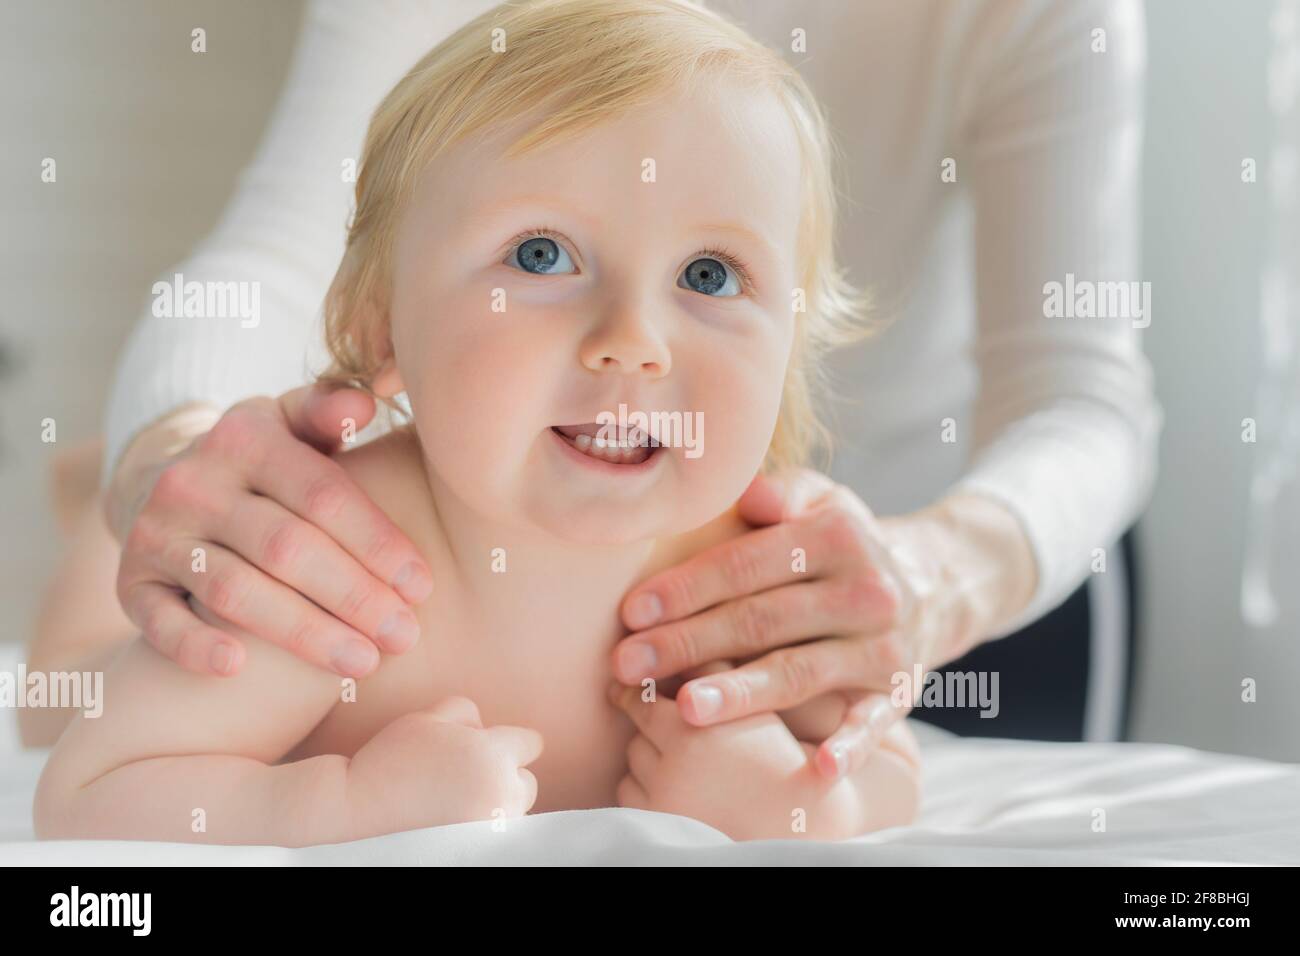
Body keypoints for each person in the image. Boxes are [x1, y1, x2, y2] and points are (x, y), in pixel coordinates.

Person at [72, 0, 1158, 776]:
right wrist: (173, 455)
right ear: (376, 330)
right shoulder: (371, 556)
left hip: (922, 541)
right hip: (478, 470)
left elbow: (1081, 391)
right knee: (84, 632)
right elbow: (279, 253)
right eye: (541, 255)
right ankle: (79, 509)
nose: (632, 341)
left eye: (709, 275)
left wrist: (921, 590)